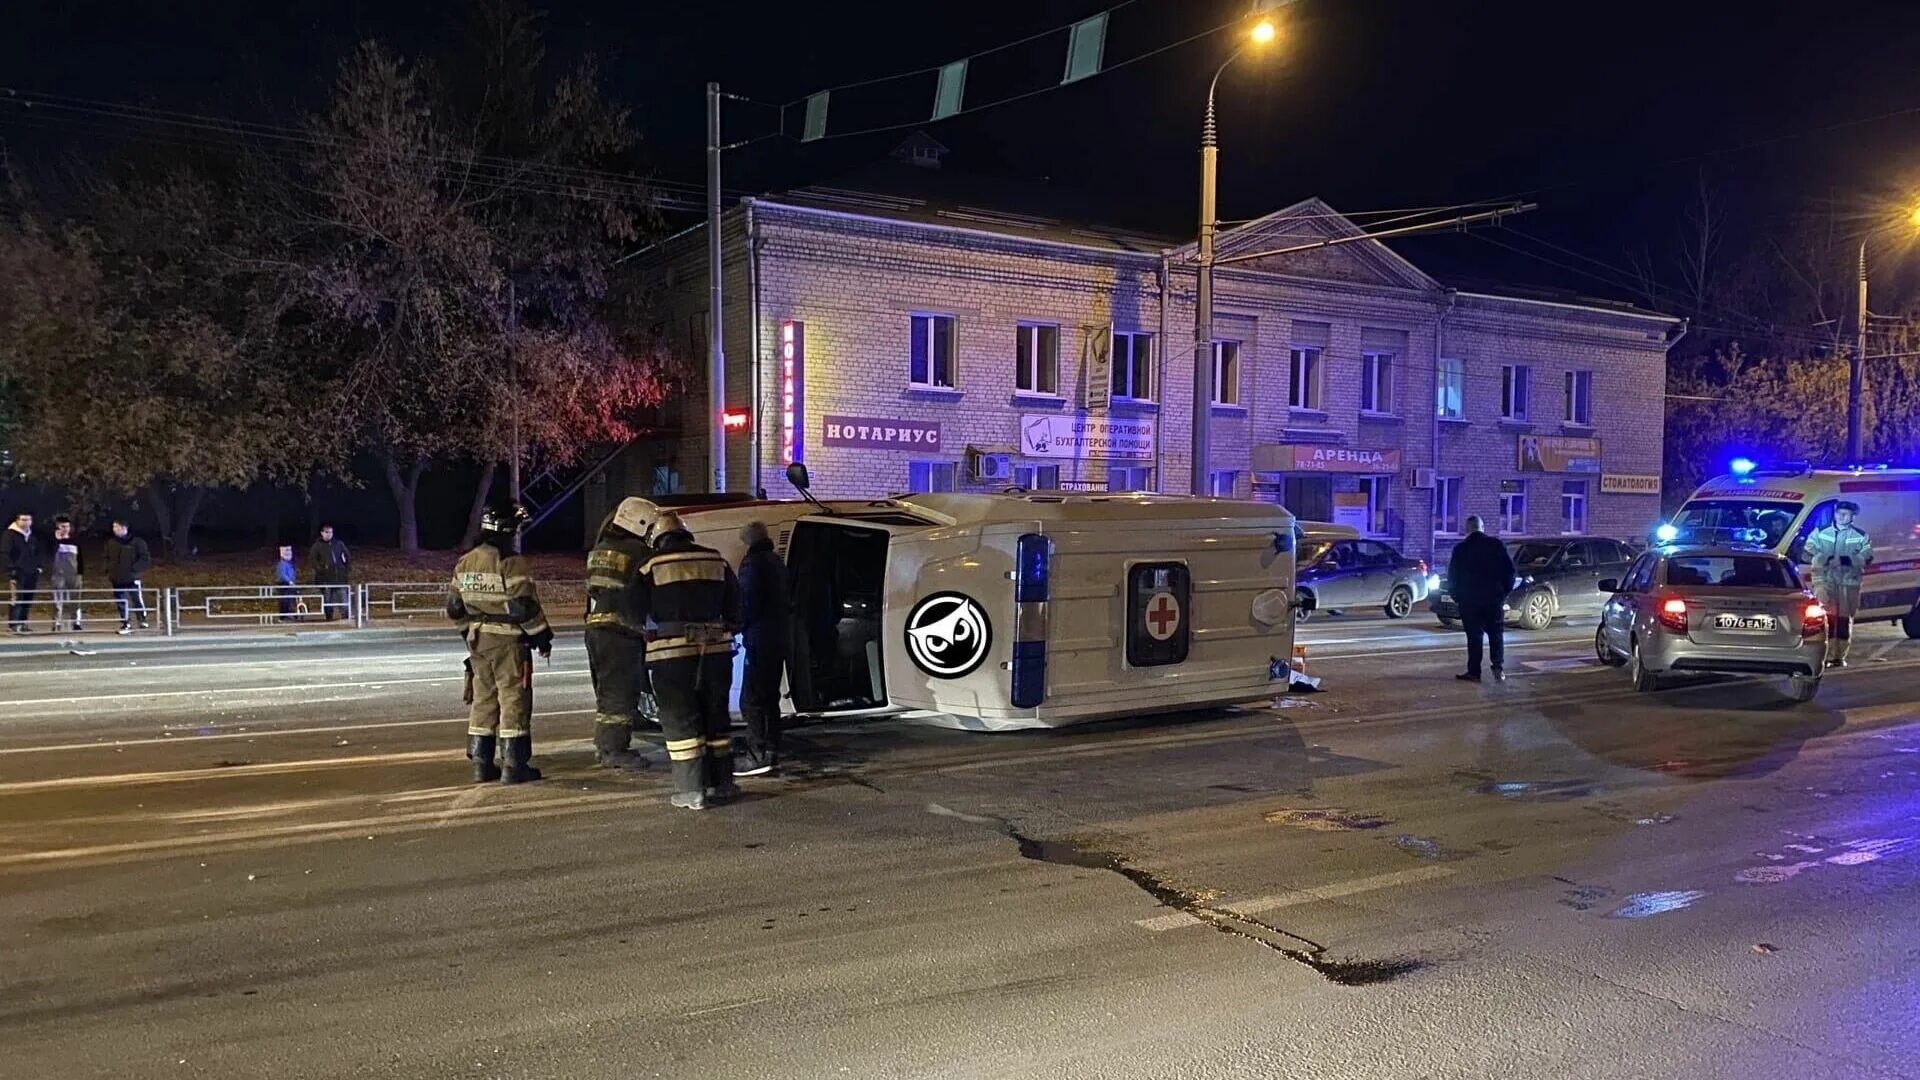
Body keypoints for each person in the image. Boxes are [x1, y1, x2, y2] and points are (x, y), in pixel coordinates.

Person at [635, 512, 743, 811]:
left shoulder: (650, 566)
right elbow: (736, 609)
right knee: (716, 718)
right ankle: (722, 784)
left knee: (681, 722)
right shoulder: (717, 561)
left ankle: (690, 791)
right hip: (716, 653)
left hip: (672, 656)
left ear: (658, 538)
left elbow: (632, 614)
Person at [446, 503, 553, 784]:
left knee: (483, 700)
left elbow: (455, 607)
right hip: (508, 643)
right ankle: (514, 765)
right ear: (508, 530)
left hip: (478, 642)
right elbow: (523, 608)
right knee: (513, 700)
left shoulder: (465, 561)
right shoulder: (511, 561)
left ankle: (481, 763)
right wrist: (542, 637)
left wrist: (469, 635)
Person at [583, 512, 652, 770]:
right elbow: (649, 587)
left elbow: (592, 588)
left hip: (596, 626)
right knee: (620, 691)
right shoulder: (640, 552)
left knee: (606, 690)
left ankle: (605, 747)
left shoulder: (600, 550)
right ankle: (614, 750)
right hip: (622, 630)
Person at [735, 520, 790, 777]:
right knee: (770, 699)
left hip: (759, 638)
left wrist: (735, 625)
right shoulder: (777, 563)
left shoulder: (753, 563)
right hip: (778, 637)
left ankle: (756, 755)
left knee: (752, 700)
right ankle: (771, 751)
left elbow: (747, 602)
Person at [1447, 514, 1515, 683]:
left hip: (1470, 601)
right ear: (1482, 528)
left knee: (1474, 637)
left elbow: (1453, 577)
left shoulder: (1461, 549)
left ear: (1467, 529)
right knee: (1496, 634)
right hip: (1493, 599)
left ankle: (1474, 672)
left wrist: (1457, 596)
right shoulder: (1496, 545)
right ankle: (1498, 668)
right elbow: (1510, 572)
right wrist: (1503, 593)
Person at [1806, 501, 1873, 668]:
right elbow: (1807, 552)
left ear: (1852, 517)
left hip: (1849, 584)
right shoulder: (1820, 532)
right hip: (1825, 581)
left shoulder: (1860, 536)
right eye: (1839, 513)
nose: (1841, 516)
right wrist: (1826, 558)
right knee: (1826, 619)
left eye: (1846, 514)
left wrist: (1844, 560)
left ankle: (1839, 656)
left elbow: (1867, 557)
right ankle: (1825, 654)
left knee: (1843, 620)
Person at [103, 519, 154, 635]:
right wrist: (108, 570)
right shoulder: (111, 543)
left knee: (136, 599)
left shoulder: (137, 542)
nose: (114, 529)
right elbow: (106, 558)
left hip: (132, 577)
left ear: (124, 528)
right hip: (117, 577)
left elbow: (145, 558)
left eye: (117, 527)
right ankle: (125, 622)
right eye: (113, 527)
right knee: (121, 601)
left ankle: (142, 619)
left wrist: (134, 569)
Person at [4, 511, 39, 634]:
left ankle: (23, 623)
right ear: (17, 520)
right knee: (17, 598)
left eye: (28, 520)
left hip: (31, 573)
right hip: (17, 572)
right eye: (23, 520)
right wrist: (11, 568)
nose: (26, 522)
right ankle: (14, 625)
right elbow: (4, 553)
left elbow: (37, 553)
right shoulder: (9, 535)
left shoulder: (32, 536)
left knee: (27, 598)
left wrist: (38, 567)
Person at [309, 524, 352, 621]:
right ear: (322, 533)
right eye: (327, 532)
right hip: (325, 579)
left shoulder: (339, 544)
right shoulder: (317, 546)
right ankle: (329, 617)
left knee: (343, 599)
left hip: (340, 578)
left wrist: (345, 569)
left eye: (331, 532)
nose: (329, 534)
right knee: (328, 600)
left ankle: (345, 616)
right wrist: (321, 570)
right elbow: (313, 560)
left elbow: (347, 556)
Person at [50, 516, 85, 633]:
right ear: (57, 527)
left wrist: (80, 573)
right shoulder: (51, 540)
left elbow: (80, 558)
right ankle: (57, 622)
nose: (65, 529)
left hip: (74, 574)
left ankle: (76, 622)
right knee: (57, 601)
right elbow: (48, 554)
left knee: (75, 599)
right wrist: (57, 540)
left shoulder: (75, 541)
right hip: (58, 574)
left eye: (67, 526)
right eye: (62, 526)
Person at [274, 544, 298, 620]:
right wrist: (289, 581)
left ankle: (288, 615)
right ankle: (284, 616)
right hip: (284, 585)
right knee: (285, 601)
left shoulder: (288, 563)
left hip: (289, 584)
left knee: (289, 600)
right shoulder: (282, 564)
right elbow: (282, 575)